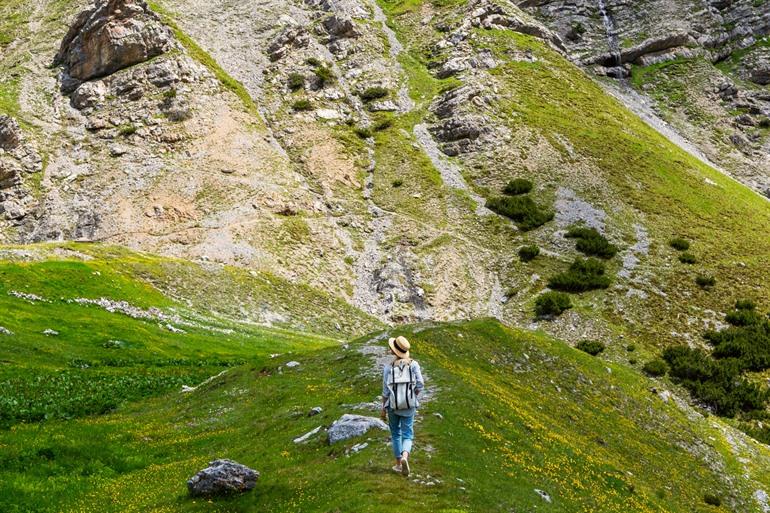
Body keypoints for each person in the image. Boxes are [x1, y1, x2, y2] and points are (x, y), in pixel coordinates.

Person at [381, 335, 424, 477]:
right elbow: (420, 384)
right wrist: (412, 395)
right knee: (407, 435)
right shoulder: (414, 364)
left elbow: (385, 392)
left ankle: (399, 464)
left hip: (393, 406)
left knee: (395, 434)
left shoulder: (388, 368)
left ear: (393, 350)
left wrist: (383, 409)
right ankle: (405, 455)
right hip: (409, 405)